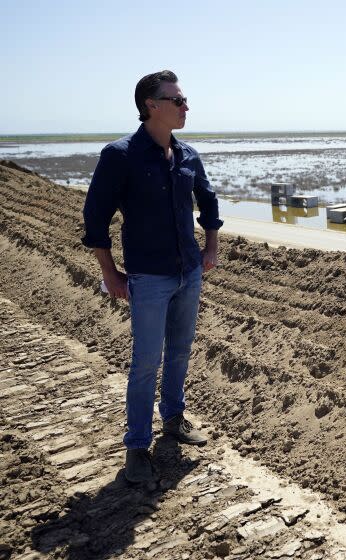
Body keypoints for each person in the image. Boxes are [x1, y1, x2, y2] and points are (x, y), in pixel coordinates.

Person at [81, 70, 223, 483]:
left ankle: (174, 419)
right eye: (177, 100)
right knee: (146, 362)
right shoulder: (120, 156)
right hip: (148, 277)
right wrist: (111, 274)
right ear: (152, 105)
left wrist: (210, 248)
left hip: (188, 273)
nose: (186, 107)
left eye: (184, 100)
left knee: (180, 351)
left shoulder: (188, 155)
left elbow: (208, 203)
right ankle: (137, 447)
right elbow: (95, 220)